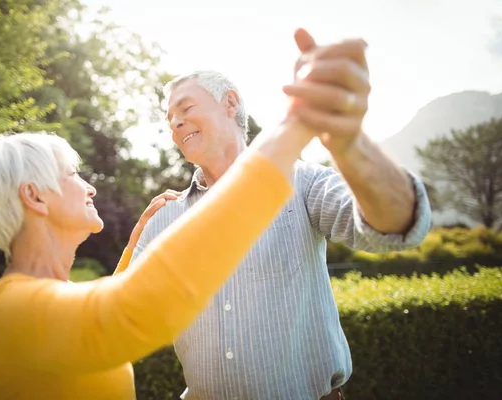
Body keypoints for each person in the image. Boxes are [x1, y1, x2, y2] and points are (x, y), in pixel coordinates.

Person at [0, 50, 321, 399]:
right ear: (35, 196)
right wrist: (286, 138)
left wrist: (135, 243)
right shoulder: (14, 308)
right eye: (73, 175)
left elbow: (102, 307)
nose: (89, 187)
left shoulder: (41, 297)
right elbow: (132, 311)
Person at [129, 29, 433, 399]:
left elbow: (395, 227)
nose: (175, 122)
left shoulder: (302, 182)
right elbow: (122, 317)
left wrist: (348, 143)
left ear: (230, 103)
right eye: (170, 117)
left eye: (186, 108)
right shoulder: (164, 217)